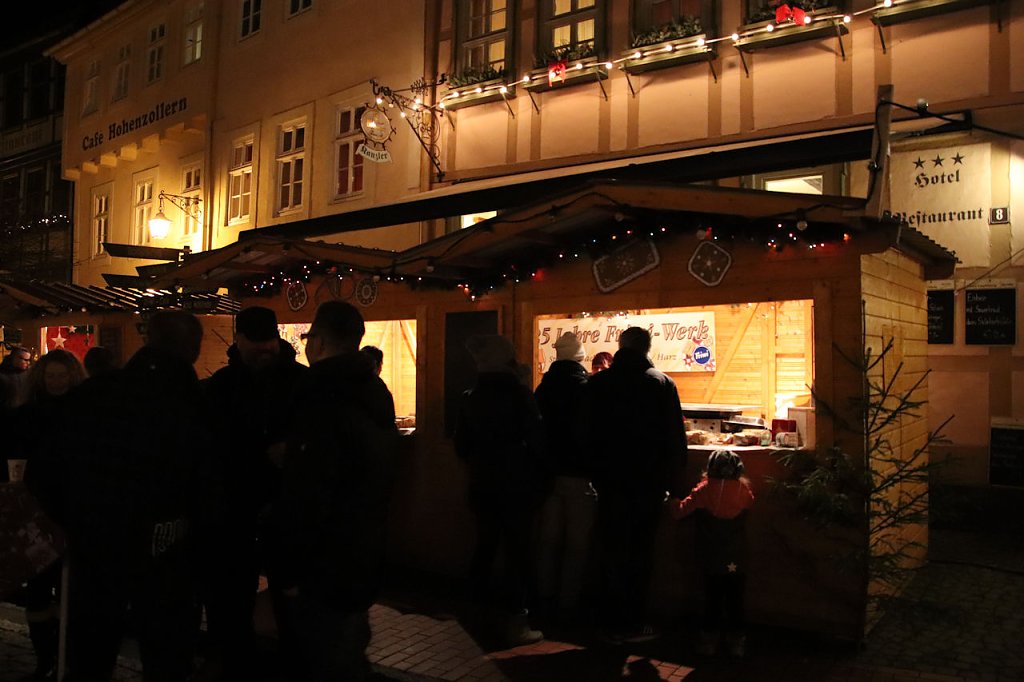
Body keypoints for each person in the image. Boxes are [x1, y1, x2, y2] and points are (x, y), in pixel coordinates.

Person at [27, 310, 212, 682]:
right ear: (193, 350)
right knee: (166, 656)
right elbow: (210, 484)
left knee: (91, 653)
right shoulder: (196, 404)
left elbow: (45, 470)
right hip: (167, 549)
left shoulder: (94, 394)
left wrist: (71, 520)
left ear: (147, 340)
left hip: (95, 545)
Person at [268, 301, 399, 681]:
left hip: (321, 563)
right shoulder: (374, 391)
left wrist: (288, 569)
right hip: (362, 551)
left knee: (321, 656)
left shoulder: (321, 394)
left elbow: (309, 494)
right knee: (347, 647)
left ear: (320, 341)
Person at [199, 306, 308, 680]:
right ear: (240, 340)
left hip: (277, 510)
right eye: (257, 340)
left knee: (280, 604)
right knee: (238, 602)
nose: (264, 348)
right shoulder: (223, 387)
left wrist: (295, 450)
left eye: (268, 340)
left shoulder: (300, 384)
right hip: (241, 512)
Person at [584, 326, 688, 643]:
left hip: (608, 481)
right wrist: (676, 485)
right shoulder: (661, 383)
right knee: (640, 552)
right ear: (647, 348)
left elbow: (584, 433)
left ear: (620, 346)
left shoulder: (598, 383)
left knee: (610, 547)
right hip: (647, 483)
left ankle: (605, 619)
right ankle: (631, 622)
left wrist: (593, 472)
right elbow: (675, 439)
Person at [454, 334, 546, 646]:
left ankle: (475, 615)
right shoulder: (520, 396)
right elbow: (538, 442)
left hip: (482, 485)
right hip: (517, 487)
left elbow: (462, 446)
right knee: (517, 554)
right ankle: (516, 622)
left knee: (484, 548)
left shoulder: (470, 397)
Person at [12, 349, 86, 681]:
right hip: (37, 509)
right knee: (39, 587)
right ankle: (45, 657)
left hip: (73, 509)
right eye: (51, 376)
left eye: (62, 375)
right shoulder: (26, 415)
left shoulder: (82, 414)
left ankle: (66, 656)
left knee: (68, 588)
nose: (56, 382)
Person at [534, 332, 595, 624]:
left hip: (547, 475)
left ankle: (544, 596)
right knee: (577, 544)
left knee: (548, 540)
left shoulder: (543, 388)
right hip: (580, 474)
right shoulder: (586, 389)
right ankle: (568, 602)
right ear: (580, 357)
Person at [670, 449, 755, 658]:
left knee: (712, 599)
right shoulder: (744, 491)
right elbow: (750, 503)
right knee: (736, 599)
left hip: (711, 556)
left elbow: (679, 512)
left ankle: (709, 641)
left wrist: (670, 500)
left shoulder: (704, 490)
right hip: (737, 556)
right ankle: (737, 642)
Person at [0, 345, 33, 412]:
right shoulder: (2, 373)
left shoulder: (29, 373)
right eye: (25, 360)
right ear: (14, 358)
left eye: (29, 360)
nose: (28, 363)